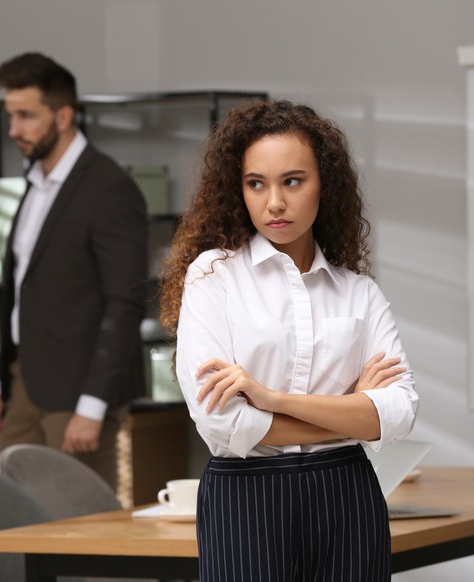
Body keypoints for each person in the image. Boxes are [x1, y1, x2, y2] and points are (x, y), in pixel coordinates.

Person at [159, 100, 418, 581]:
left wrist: (272, 400)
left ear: (326, 186)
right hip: (245, 501)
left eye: (292, 181)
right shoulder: (213, 277)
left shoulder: (358, 293)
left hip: (348, 498)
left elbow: (399, 412)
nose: (273, 202)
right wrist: (356, 412)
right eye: (256, 183)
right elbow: (224, 425)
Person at [0, 52, 148, 489]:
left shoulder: (110, 189)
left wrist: (92, 406)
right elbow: (24, 292)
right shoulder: (34, 186)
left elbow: (124, 302)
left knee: (81, 534)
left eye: (26, 116)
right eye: (10, 116)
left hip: (79, 394)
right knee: (16, 524)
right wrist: (0, 378)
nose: (13, 129)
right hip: (25, 385)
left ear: (64, 115)